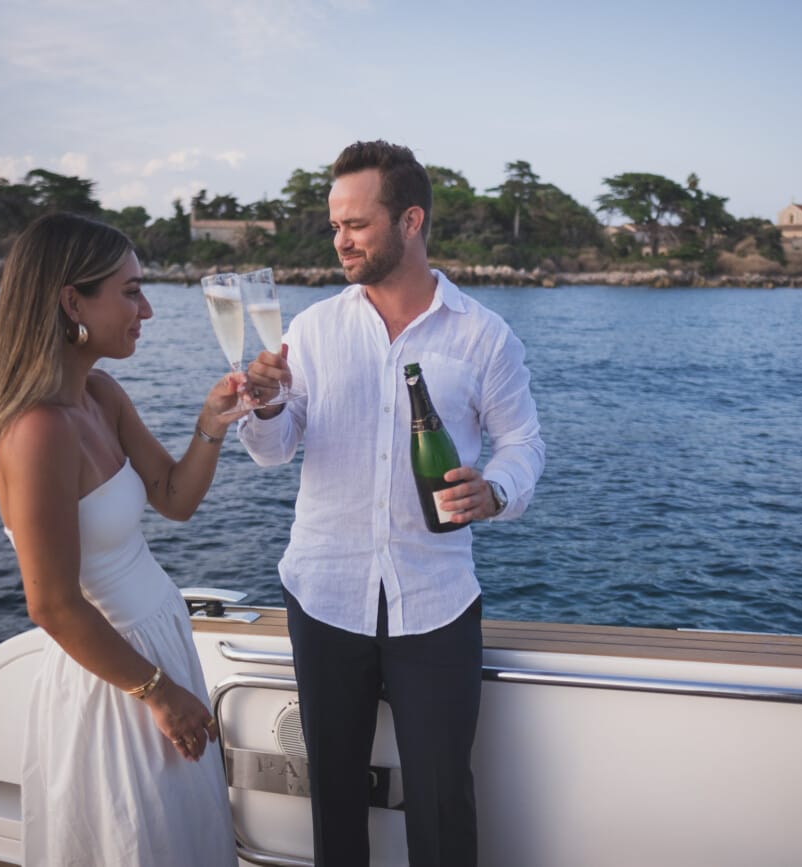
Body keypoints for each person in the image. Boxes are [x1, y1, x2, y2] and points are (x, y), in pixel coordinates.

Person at [240, 140, 545, 866]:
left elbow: (524, 445)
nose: (339, 240)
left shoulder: (484, 336)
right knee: (333, 797)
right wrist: (265, 405)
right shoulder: (312, 331)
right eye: (335, 225)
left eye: (356, 224)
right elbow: (274, 448)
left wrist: (496, 488)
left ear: (410, 220)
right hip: (324, 593)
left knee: (442, 799)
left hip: (435, 599)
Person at [0, 213, 241, 866]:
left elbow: (173, 496)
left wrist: (211, 422)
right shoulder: (37, 431)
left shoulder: (100, 395)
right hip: (117, 682)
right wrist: (160, 692)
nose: (147, 310)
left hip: (160, 645)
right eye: (131, 291)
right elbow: (52, 603)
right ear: (72, 301)